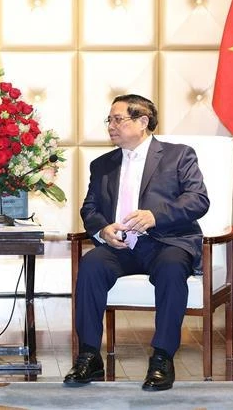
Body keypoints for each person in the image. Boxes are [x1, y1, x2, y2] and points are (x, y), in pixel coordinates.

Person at [64, 94, 209, 391]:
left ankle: (162, 357)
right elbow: (89, 209)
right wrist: (102, 229)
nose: (111, 126)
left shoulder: (179, 155)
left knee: (171, 270)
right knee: (90, 265)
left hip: (168, 243)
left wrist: (156, 215)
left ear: (143, 122)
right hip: (122, 246)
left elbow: (198, 200)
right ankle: (89, 356)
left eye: (118, 119)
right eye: (110, 120)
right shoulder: (102, 164)